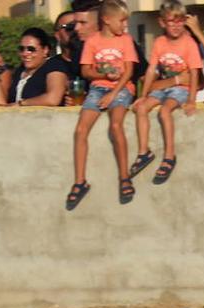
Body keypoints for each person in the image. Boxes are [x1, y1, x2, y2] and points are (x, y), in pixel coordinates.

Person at [68, 0, 139, 209]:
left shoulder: (125, 40)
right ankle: (80, 181)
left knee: (115, 125)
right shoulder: (93, 41)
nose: (124, 25)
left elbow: (129, 72)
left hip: (122, 88)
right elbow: (86, 71)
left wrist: (114, 93)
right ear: (107, 20)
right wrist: (103, 75)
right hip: (99, 87)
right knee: (81, 130)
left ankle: (124, 177)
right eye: (122, 20)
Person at [130, 1, 201, 182]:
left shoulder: (189, 43)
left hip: (181, 89)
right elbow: (151, 69)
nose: (176, 26)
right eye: (172, 22)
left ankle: (169, 155)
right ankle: (143, 152)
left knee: (164, 111)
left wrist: (191, 99)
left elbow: (194, 73)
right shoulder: (159, 42)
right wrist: (142, 96)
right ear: (162, 22)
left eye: (180, 21)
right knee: (141, 108)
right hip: (164, 86)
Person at [8, 28, 69, 106]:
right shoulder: (20, 70)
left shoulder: (54, 66)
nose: (25, 53)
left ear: (45, 50)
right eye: (22, 49)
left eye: (31, 49)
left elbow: (53, 99)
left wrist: (21, 103)